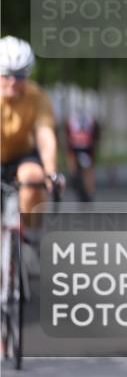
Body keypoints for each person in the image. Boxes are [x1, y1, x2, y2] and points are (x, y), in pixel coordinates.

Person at [0, 36, 59, 244]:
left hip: (22, 155)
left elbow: (45, 135)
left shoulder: (37, 96)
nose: (13, 82)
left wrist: (51, 171)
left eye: (20, 75)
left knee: (32, 177)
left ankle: (30, 236)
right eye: (6, 75)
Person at [64, 109, 100, 202]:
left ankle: (89, 191)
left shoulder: (89, 121)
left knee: (88, 170)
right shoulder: (73, 121)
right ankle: (74, 178)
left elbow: (95, 134)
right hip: (78, 148)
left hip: (86, 148)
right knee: (77, 168)